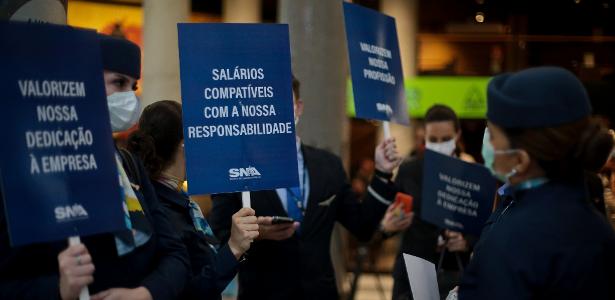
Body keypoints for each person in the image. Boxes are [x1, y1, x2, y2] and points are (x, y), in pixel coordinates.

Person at [0, 33, 190, 300]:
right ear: (79, 82)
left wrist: (145, 293)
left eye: (133, 86)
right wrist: (59, 289)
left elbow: (175, 254)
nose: (129, 98)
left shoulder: (128, 163)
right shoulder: (30, 170)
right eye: (118, 82)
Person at [209, 76, 402, 300]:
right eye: (269, 104)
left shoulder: (329, 165)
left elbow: (362, 226)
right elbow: (219, 242)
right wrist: (251, 235)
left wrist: (382, 173)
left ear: (298, 107)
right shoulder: (237, 171)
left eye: (284, 103)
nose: (276, 111)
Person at [458, 66, 615, 299]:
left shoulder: (512, 243)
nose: (487, 145)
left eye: (491, 135)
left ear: (520, 160)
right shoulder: (597, 227)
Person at [127, 100, 260, 300]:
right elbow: (189, 291)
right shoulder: (160, 210)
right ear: (186, 143)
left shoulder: (178, 199)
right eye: (201, 135)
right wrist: (233, 248)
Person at [387, 104, 475, 300]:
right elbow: (390, 219)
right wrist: (391, 223)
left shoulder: (471, 175)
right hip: (411, 273)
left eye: (445, 139)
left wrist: (466, 241)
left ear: (457, 135)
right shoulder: (409, 171)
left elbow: (482, 226)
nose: (439, 144)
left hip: (453, 273)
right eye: (433, 139)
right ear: (423, 136)